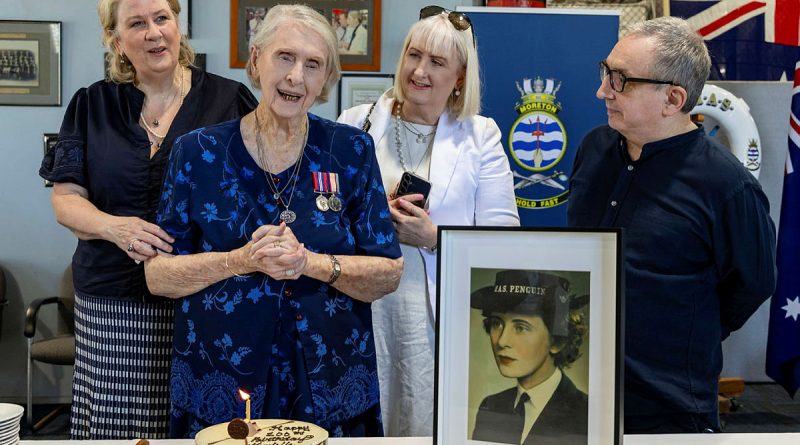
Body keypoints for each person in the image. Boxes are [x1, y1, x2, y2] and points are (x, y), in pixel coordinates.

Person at [143, 4, 403, 438]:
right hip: (222, 381)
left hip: (330, 380)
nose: (296, 76)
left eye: (313, 64)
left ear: (325, 81)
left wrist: (311, 263)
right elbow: (158, 277)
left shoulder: (351, 150)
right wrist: (240, 260)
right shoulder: (197, 152)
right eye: (285, 57)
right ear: (255, 61)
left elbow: (388, 272)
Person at [37, 0, 257, 439]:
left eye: (162, 18)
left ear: (178, 26)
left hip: (203, 299)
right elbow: (66, 199)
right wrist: (114, 227)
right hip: (112, 304)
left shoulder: (229, 101)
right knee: (114, 429)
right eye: (137, 24)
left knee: (198, 424)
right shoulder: (91, 104)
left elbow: (261, 191)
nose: (154, 32)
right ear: (117, 42)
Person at [567, 16, 777, 433]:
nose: (602, 91)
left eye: (621, 80)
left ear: (673, 98)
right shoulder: (594, 147)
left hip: (668, 405)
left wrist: (688, 330)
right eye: (605, 73)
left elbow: (753, 283)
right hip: (574, 389)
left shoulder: (727, 186)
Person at [338, 6, 519, 437]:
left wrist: (435, 238)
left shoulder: (481, 135)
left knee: (427, 421)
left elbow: (506, 243)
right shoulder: (353, 124)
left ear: (459, 76)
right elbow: (323, 221)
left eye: (437, 62)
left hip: (436, 320)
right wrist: (364, 213)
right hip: (362, 309)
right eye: (413, 55)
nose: (419, 71)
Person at [471, 270, 588, 445]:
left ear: (557, 341)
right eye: (497, 323)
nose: (502, 341)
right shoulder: (491, 405)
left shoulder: (587, 414)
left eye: (521, 327)